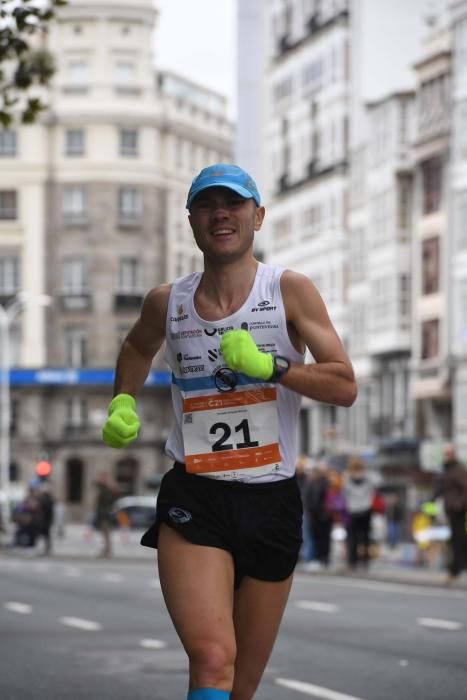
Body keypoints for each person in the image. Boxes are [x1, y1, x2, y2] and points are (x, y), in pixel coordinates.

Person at [102, 163, 357, 700]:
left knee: (240, 685)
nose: (221, 214)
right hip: (197, 493)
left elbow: (344, 385)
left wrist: (273, 368)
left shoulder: (288, 291)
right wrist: (122, 399)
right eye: (207, 205)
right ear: (191, 220)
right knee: (213, 659)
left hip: (272, 500)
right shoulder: (166, 301)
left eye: (234, 203)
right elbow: (135, 347)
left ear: (257, 216)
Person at [433, 444, 467, 582]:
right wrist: (431, 499)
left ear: (453, 454)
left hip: (458, 510)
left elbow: (465, 489)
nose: (446, 456)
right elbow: (441, 488)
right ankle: (455, 570)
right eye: (444, 453)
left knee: (459, 539)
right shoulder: (446, 469)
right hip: (450, 509)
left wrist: (459, 504)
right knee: (454, 540)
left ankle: (457, 569)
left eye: (448, 453)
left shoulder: (458, 470)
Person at [342, 456, 374, 571]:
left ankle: (352, 561)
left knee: (352, 537)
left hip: (352, 510)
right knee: (365, 536)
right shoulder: (368, 478)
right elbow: (372, 491)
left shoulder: (347, 478)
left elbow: (344, 494)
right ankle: (365, 561)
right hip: (366, 509)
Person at [93, 473, 117, 558]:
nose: (101, 479)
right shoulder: (103, 488)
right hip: (101, 514)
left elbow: (110, 500)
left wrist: (112, 489)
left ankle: (107, 550)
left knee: (106, 533)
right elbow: (95, 483)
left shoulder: (107, 490)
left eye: (103, 478)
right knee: (104, 534)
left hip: (105, 515)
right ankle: (106, 550)